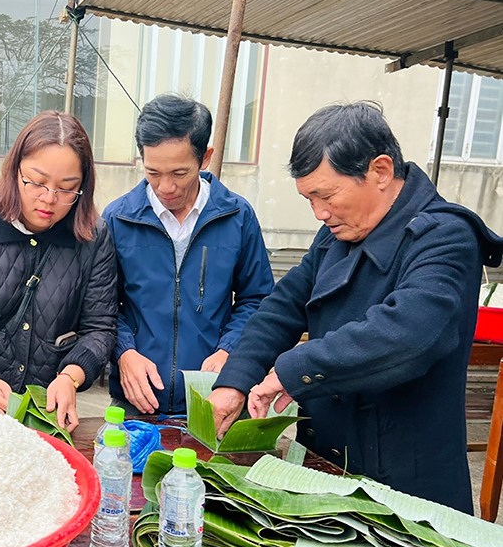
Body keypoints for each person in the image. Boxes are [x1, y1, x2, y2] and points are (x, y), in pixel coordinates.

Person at [209, 101, 503, 513]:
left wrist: (292, 371)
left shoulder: (445, 238)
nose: (319, 213)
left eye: (326, 195)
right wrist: (235, 379)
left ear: (380, 172)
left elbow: (408, 334)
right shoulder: (335, 235)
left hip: (404, 481)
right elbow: (283, 305)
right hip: (328, 459)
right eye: (309, 198)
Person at [0, 111, 117, 432]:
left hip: (47, 414)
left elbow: (100, 328)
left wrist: (71, 376)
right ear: (15, 169)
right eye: (37, 182)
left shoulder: (93, 236)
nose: (49, 199)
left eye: (67, 188)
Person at [102, 94, 274, 415]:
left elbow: (258, 299)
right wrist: (124, 353)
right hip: (136, 402)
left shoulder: (237, 216)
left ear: (205, 157)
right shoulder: (117, 219)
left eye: (179, 173)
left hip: (214, 399)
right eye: (153, 173)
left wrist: (229, 351)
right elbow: (101, 305)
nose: (165, 187)